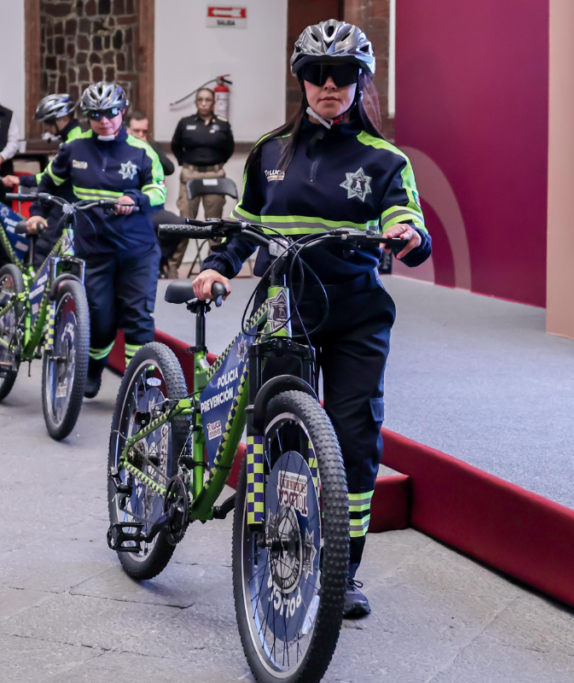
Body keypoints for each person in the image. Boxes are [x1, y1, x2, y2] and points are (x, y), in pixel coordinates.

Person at [192, 19, 432, 619]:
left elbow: (412, 221)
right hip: (283, 307)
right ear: (301, 80)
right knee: (277, 435)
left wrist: (408, 235)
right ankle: (278, 543)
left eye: (343, 74)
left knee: (354, 442)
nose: (330, 85)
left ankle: (342, 569)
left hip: (355, 314)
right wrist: (219, 266)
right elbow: (243, 227)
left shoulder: (385, 160)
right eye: (318, 74)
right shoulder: (271, 152)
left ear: (360, 82)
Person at [25, 82, 166, 398]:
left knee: (138, 319)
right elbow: (50, 182)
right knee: (100, 322)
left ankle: (138, 388)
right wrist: (36, 212)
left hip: (137, 252)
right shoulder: (74, 149)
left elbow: (159, 191)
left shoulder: (142, 152)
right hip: (94, 251)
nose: (105, 120)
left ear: (123, 111)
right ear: (87, 116)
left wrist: (135, 199)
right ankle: (91, 370)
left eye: (111, 113)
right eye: (97, 115)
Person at [3, 93, 88, 267]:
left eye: (49, 122)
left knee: (43, 253)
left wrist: (23, 181)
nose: (47, 128)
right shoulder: (73, 137)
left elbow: (51, 177)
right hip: (72, 204)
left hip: (67, 204)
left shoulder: (73, 142)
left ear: (64, 119)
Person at [167, 88, 234, 277]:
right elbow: (175, 146)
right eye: (200, 100)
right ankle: (173, 266)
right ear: (196, 103)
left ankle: (214, 266)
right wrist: (186, 165)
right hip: (190, 176)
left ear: (213, 103)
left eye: (208, 100)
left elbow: (229, 148)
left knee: (214, 227)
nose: (204, 103)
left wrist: (213, 166)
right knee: (186, 224)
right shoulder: (185, 123)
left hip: (214, 177)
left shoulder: (223, 124)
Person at [126, 112, 184, 277]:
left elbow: (170, 168)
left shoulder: (149, 146)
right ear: (127, 129)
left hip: (151, 207)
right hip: (129, 207)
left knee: (179, 225)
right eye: (137, 131)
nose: (141, 135)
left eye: (145, 131)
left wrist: (148, 147)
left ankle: (159, 260)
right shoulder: (122, 148)